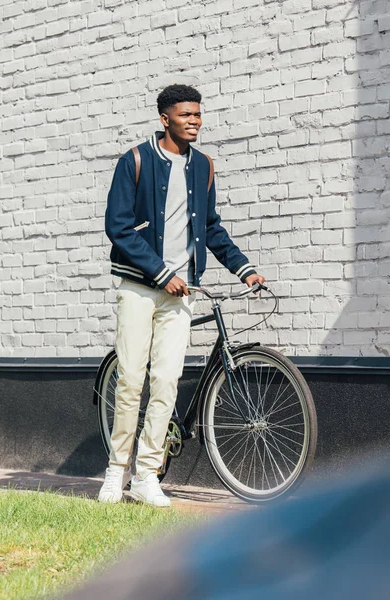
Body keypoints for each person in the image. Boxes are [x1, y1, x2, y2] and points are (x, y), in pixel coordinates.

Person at [98, 84, 265, 507]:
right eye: (185, 115)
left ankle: (146, 475)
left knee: (167, 381)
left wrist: (243, 268)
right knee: (131, 380)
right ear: (165, 119)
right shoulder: (135, 161)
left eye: (198, 115)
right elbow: (117, 228)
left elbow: (210, 228)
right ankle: (116, 471)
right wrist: (159, 271)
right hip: (139, 286)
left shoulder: (203, 166)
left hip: (182, 290)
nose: (195, 121)